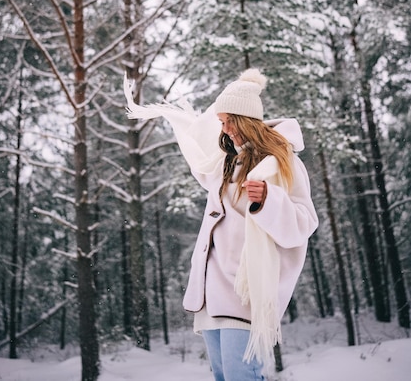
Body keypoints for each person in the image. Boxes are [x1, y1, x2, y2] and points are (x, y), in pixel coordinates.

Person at [124, 68, 318, 381]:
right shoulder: (225, 162)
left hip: (247, 288)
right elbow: (199, 150)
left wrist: (269, 199)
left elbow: (305, 223)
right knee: (223, 375)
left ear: (245, 119)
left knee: (241, 375)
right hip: (211, 289)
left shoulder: (283, 161)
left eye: (229, 120)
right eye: (221, 121)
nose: (225, 129)